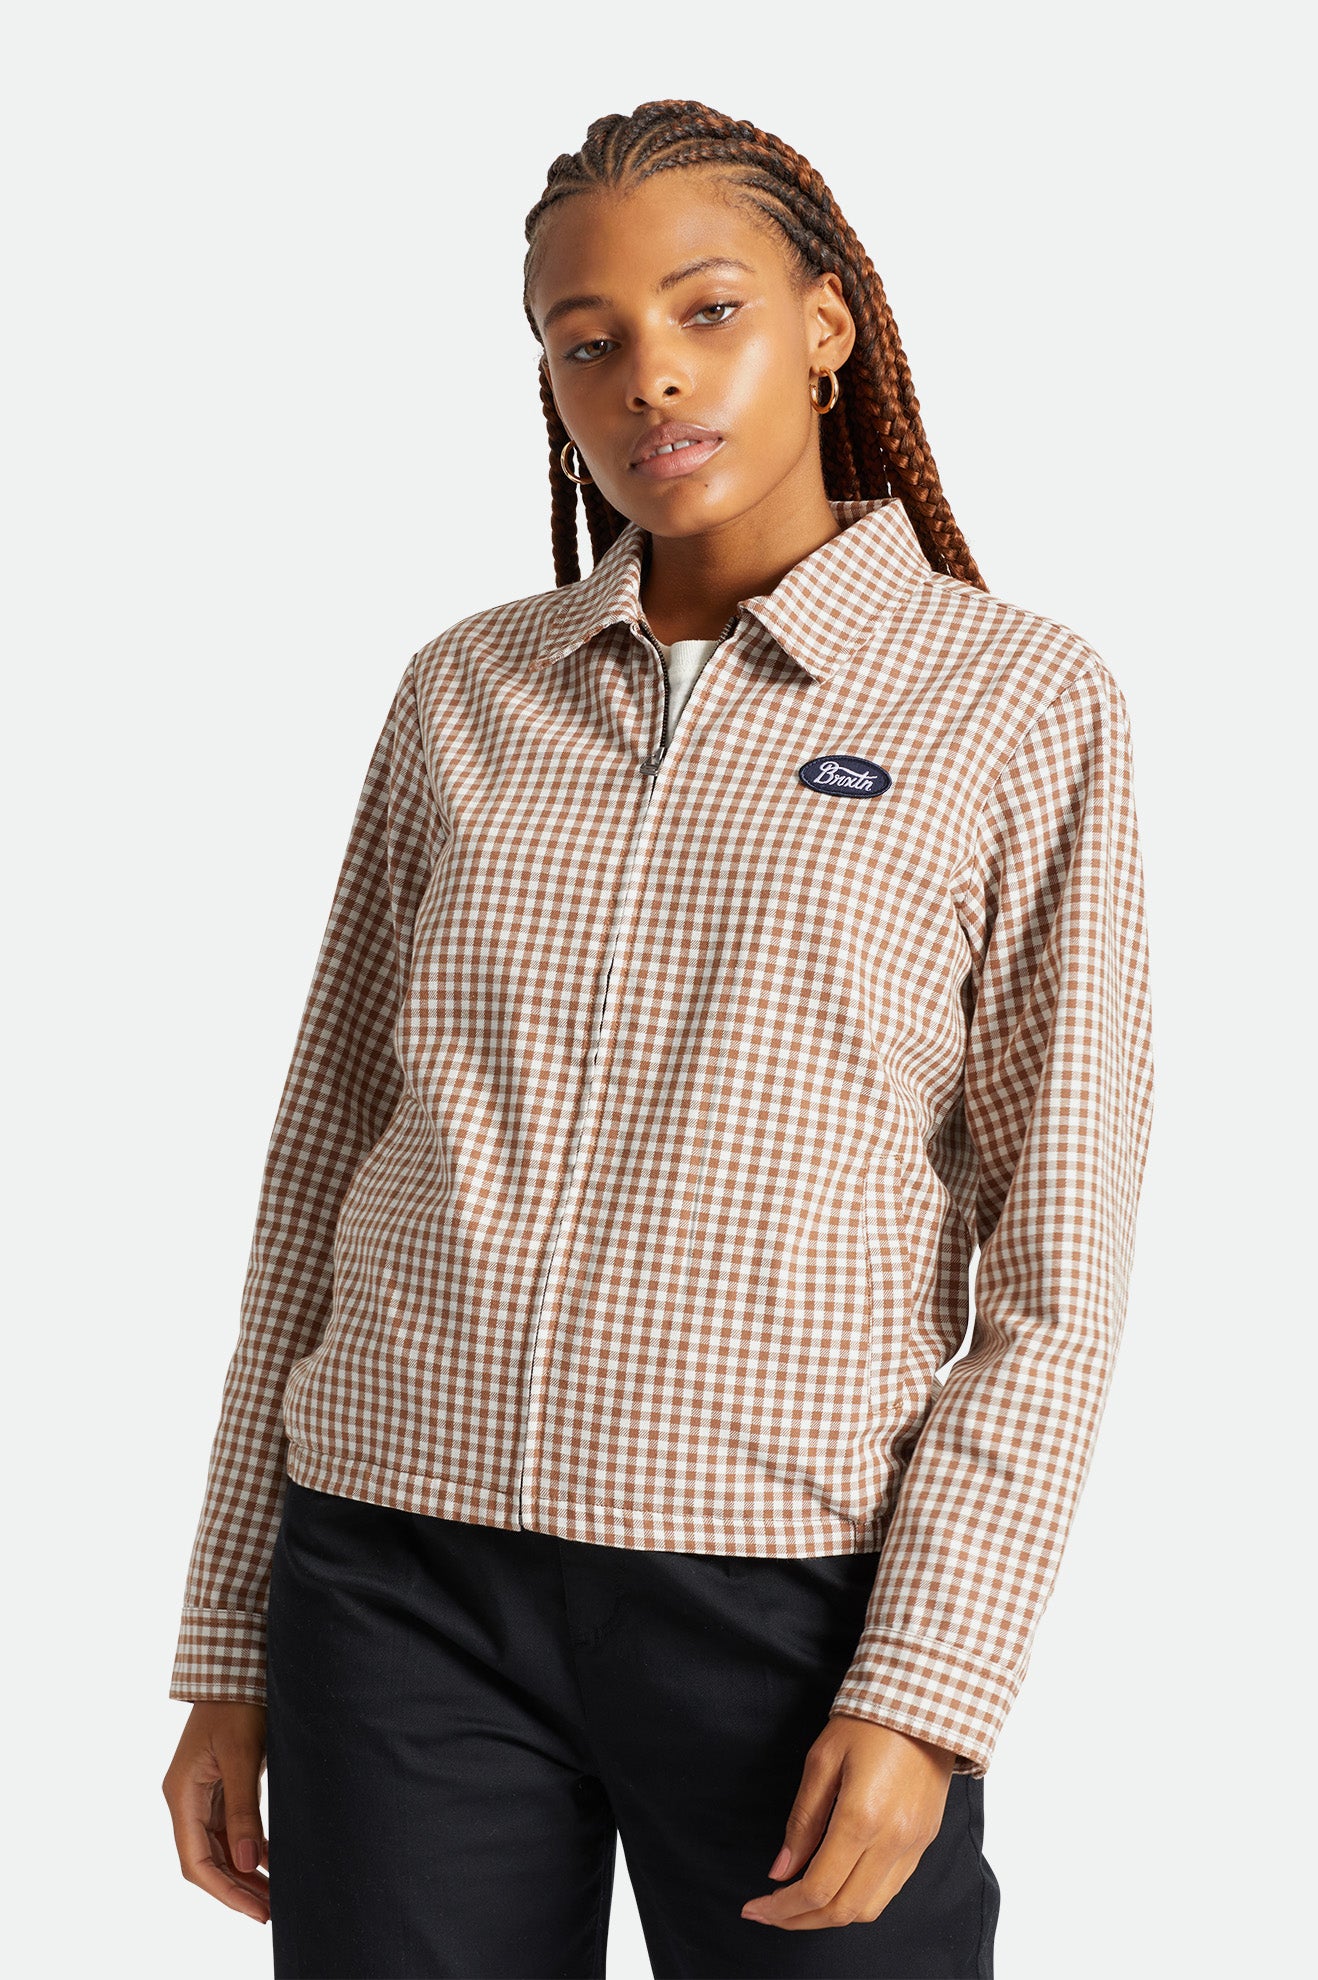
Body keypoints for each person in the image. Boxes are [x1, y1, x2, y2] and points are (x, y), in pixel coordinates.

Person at [162, 97, 1155, 1979]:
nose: (651, 379)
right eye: (586, 340)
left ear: (826, 324)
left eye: (709, 313)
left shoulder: (1014, 700)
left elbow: (1057, 1259)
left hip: (780, 1602)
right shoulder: (468, 690)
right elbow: (320, 1163)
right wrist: (228, 1634)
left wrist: (931, 1680)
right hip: (391, 1572)